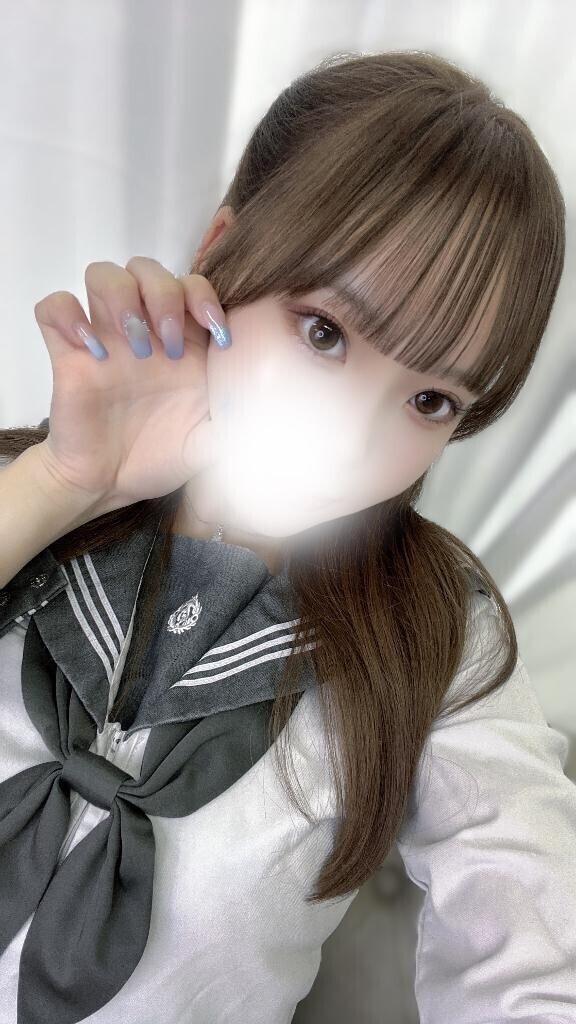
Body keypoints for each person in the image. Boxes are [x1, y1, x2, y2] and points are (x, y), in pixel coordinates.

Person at [0, 49, 574, 1024]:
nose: (353, 437)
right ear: (224, 252)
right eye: (324, 333)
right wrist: (62, 483)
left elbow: (537, 963)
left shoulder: (440, 638)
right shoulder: (36, 486)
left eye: (430, 400)